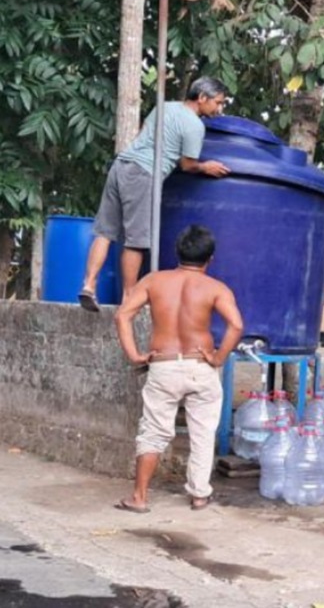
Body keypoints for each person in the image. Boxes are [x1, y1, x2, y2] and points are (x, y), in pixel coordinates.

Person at [114, 225, 243, 513]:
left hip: (164, 364)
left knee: (153, 432)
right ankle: (199, 495)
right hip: (201, 366)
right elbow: (236, 325)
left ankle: (140, 498)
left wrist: (135, 354)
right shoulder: (216, 288)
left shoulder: (154, 281)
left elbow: (123, 315)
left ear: (177, 252)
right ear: (210, 258)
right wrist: (219, 357)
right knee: (202, 432)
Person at [79, 77, 232, 311]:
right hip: (144, 173)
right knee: (137, 241)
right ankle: (129, 298)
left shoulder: (165, 106)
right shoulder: (194, 125)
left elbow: (144, 133)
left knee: (104, 232)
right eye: (218, 102)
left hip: (122, 164)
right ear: (202, 98)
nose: (219, 109)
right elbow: (187, 165)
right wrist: (206, 166)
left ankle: (88, 286)